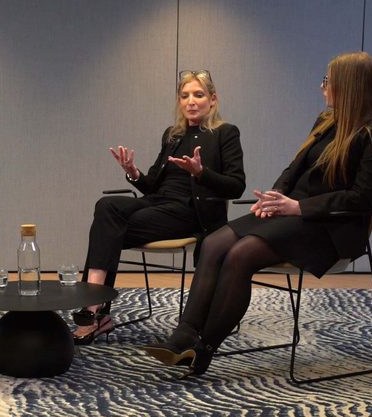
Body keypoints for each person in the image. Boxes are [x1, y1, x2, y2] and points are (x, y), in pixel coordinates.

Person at [143, 52, 372, 376]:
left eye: (328, 82)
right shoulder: (326, 122)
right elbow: (293, 169)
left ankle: (204, 349)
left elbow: (363, 197)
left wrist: (298, 207)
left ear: (348, 87)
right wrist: (275, 197)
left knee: (241, 254)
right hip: (290, 213)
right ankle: (182, 337)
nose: (323, 88)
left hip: (331, 226)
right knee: (213, 243)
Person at [71, 70, 246, 345]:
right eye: (185, 95)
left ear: (212, 100)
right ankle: (96, 305)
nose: (191, 101)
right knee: (106, 207)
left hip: (190, 213)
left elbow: (236, 186)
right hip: (157, 204)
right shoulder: (173, 135)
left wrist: (201, 173)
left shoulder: (225, 133)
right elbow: (153, 185)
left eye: (198, 95)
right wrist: (134, 173)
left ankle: (94, 310)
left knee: (107, 232)